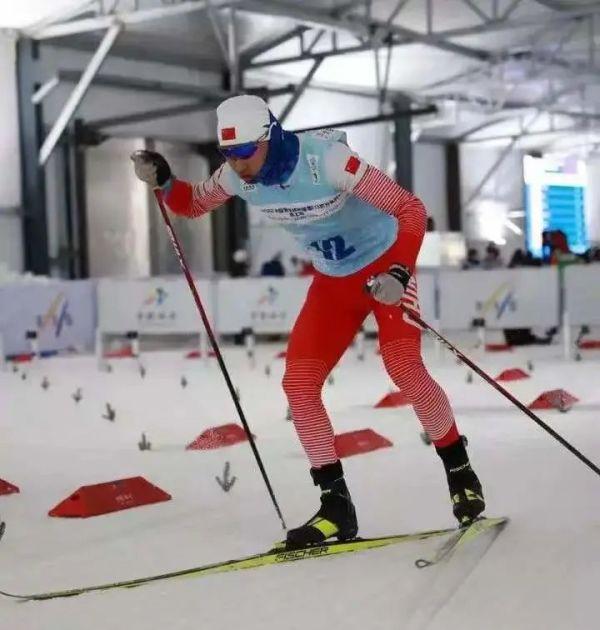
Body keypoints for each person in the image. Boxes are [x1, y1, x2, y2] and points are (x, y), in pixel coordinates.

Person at [131, 95, 485, 548]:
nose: (237, 164)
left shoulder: (328, 162)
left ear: (270, 136)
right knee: (298, 385)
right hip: (334, 282)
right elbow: (192, 203)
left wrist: (399, 272)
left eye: (245, 152)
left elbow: (411, 209)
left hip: (385, 269)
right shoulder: (237, 177)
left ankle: (461, 473)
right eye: (227, 153)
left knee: (404, 367)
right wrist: (164, 181)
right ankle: (336, 507)